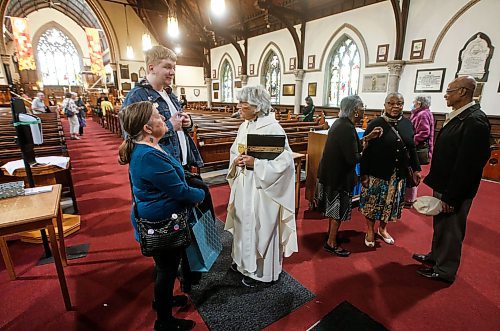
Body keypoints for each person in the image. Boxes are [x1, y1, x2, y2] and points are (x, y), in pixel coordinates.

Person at [122, 45, 213, 291]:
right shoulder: (137, 97)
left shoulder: (169, 94)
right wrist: (172, 127)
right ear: (151, 67)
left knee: (187, 221)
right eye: (167, 67)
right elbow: (131, 135)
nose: (172, 72)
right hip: (161, 168)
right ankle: (173, 272)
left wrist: (187, 121)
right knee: (170, 225)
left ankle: (189, 267)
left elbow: (180, 119)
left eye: (174, 67)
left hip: (180, 163)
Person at [119, 101, 202, 331]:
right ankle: (164, 322)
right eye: (158, 116)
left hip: (159, 217)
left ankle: (162, 301)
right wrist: (200, 193)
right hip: (162, 221)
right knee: (166, 269)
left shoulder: (151, 146)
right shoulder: (148, 155)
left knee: (163, 266)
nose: (164, 119)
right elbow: (179, 191)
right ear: (147, 128)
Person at [414, 76, 490, 284]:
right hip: (445, 183)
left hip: (455, 189)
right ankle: (435, 256)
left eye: (449, 90)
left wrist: (452, 196)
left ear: (463, 92)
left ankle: (445, 269)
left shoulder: (475, 121)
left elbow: (468, 165)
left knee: (451, 230)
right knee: (441, 226)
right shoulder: (461, 116)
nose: (446, 94)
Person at [225, 85, 298, 287]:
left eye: (243, 103)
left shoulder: (273, 129)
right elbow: (235, 151)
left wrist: (256, 164)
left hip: (262, 190)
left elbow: (285, 164)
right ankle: (242, 264)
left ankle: (261, 273)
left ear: (257, 107)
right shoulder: (245, 125)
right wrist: (237, 160)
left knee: (259, 227)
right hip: (244, 186)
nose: (238, 106)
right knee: (242, 225)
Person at [316, 96, 382, 257]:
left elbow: (351, 145)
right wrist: (367, 150)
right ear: (355, 110)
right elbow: (353, 158)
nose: (364, 110)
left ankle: (331, 236)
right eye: (362, 107)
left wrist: (367, 137)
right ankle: (331, 243)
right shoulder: (346, 127)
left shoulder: (342, 124)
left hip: (331, 175)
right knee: (336, 212)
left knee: (334, 211)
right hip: (338, 177)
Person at [359, 92, 421, 247]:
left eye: (399, 103)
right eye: (391, 103)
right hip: (377, 173)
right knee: (372, 204)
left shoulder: (407, 124)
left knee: (391, 204)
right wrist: (364, 174)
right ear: (385, 105)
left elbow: (412, 148)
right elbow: (366, 151)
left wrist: (416, 169)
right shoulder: (375, 124)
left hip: (398, 175)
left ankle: (383, 228)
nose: (395, 106)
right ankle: (369, 230)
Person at [404, 96, 434, 207]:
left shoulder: (423, 114)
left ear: (419, 103)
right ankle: (409, 198)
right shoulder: (421, 113)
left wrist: (411, 141)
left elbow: (424, 133)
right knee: (411, 172)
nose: (413, 103)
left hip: (417, 149)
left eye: (414, 101)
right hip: (415, 147)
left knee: (412, 173)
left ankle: (409, 199)